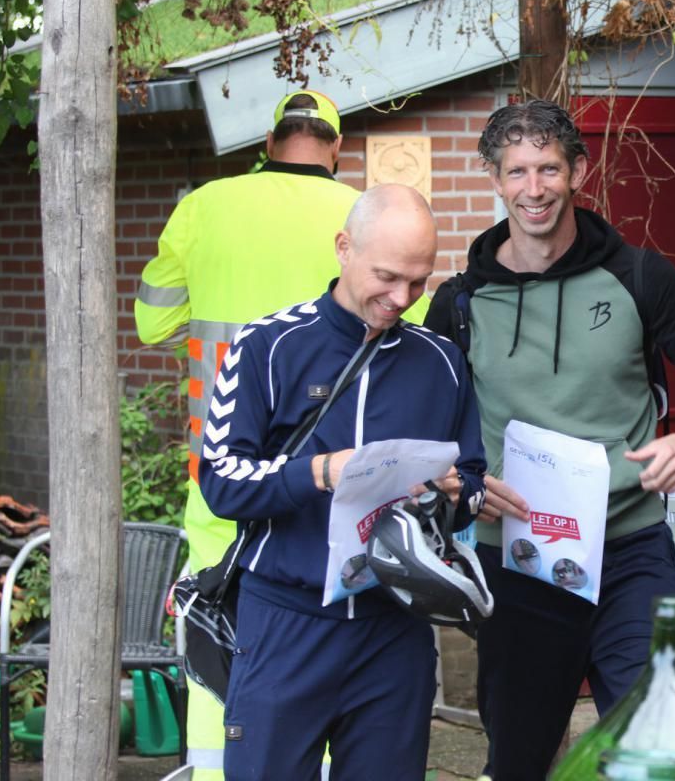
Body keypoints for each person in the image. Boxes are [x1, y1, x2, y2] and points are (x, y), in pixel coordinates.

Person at [424, 99, 675, 779]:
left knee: (658, 744)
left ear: (578, 169)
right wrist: (457, 482)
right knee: (517, 761)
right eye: (517, 171)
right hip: (517, 561)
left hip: (630, 552)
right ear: (495, 179)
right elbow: (428, 436)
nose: (534, 189)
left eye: (548, 168)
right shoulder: (459, 304)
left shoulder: (640, 276)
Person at [134, 90, 433, 776]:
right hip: (342, 480)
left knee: (220, 616)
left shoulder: (205, 206)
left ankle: (214, 766)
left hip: (222, 470)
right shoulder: (364, 215)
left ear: (269, 143)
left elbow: (153, 320)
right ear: (333, 147)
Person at [198, 184, 486, 780]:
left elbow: (474, 479)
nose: (401, 297)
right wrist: (321, 472)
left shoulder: (443, 363)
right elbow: (222, 481)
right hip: (286, 622)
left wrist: (459, 496)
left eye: (419, 281)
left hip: (395, 630)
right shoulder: (266, 346)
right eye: (386, 276)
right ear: (343, 248)